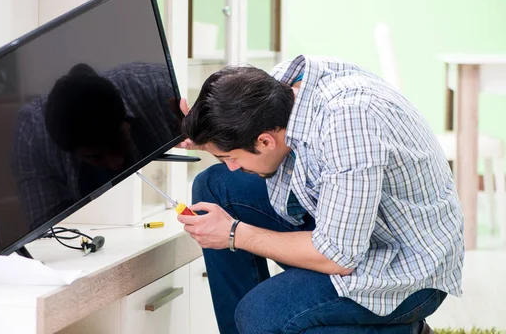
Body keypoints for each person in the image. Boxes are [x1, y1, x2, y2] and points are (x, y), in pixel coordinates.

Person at [177, 55, 464, 334]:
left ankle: (405, 329)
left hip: (405, 268)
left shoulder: (350, 124)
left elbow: (338, 256)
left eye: (230, 156)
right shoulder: (277, 93)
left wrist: (235, 234)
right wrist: (208, 138)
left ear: (265, 140)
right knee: (215, 186)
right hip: (351, 230)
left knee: (262, 314)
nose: (232, 165)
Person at [11, 62, 181, 230]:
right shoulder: (32, 132)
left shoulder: (161, 88)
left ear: (125, 120)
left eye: (118, 143)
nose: (116, 163)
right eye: (95, 157)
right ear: (72, 152)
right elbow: (46, 230)